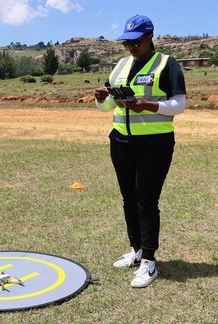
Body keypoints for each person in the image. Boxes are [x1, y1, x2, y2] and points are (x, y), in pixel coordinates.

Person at [95, 15, 186, 288]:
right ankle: (135, 250)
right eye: (126, 42)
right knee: (129, 199)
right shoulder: (121, 65)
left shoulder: (167, 64)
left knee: (147, 201)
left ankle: (149, 261)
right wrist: (102, 100)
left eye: (135, 41)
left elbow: (179, 104)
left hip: (155, 144)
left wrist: (150, 106)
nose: (130, 47)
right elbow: (109, 106)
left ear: (150, 37)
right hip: (121, 141)